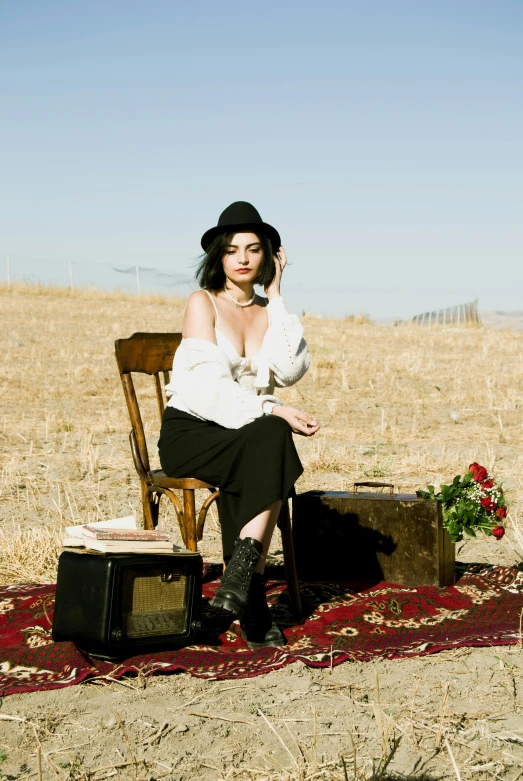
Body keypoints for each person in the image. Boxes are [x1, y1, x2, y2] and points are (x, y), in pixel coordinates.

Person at [158, 201, 320, 648]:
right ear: (219, 258)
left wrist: (279, 295)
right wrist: (274, 410)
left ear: (269, 256)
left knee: (266, 439)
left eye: (253, 249)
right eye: (232, 250)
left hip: (244, 433)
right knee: (270, 433)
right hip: (193, 430)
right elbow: (209, 388)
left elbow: (290, 370)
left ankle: (238, 592)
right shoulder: (202, 302)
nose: (243, 258)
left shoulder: (271, 312)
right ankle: (254, 603)